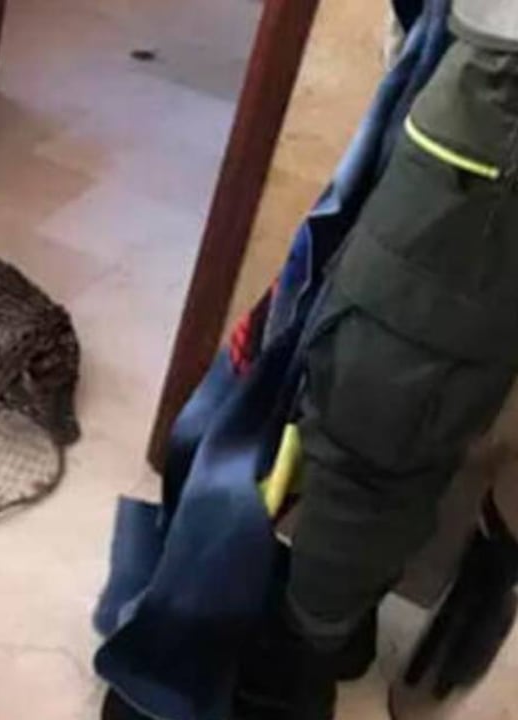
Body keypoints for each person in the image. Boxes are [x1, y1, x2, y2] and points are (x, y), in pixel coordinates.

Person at [233, 2, 518, 717]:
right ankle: (333, 625)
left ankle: (292, 670)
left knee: (384, 401)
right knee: (403, 397)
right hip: (486, 78)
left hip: (501, 101)